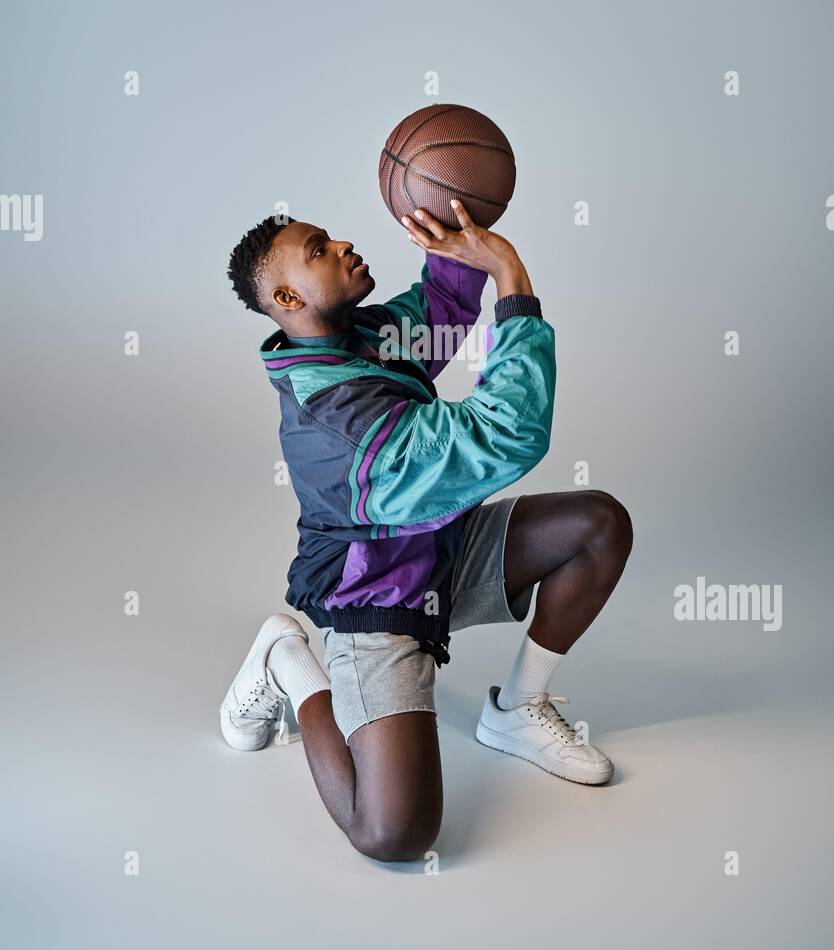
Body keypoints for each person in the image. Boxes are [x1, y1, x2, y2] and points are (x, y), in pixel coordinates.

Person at [220, 198, 632, 862]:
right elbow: (505, 434)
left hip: (440, 553)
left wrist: (454, 234)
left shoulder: (358, 338)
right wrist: (512, 282)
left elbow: (437, 310)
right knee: (393, 833)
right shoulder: (339, 420)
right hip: (378, 604)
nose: (344, 244)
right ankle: (288, 664)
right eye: (321, 248)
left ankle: (517, 710)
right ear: (289, 295)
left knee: (598, 525)